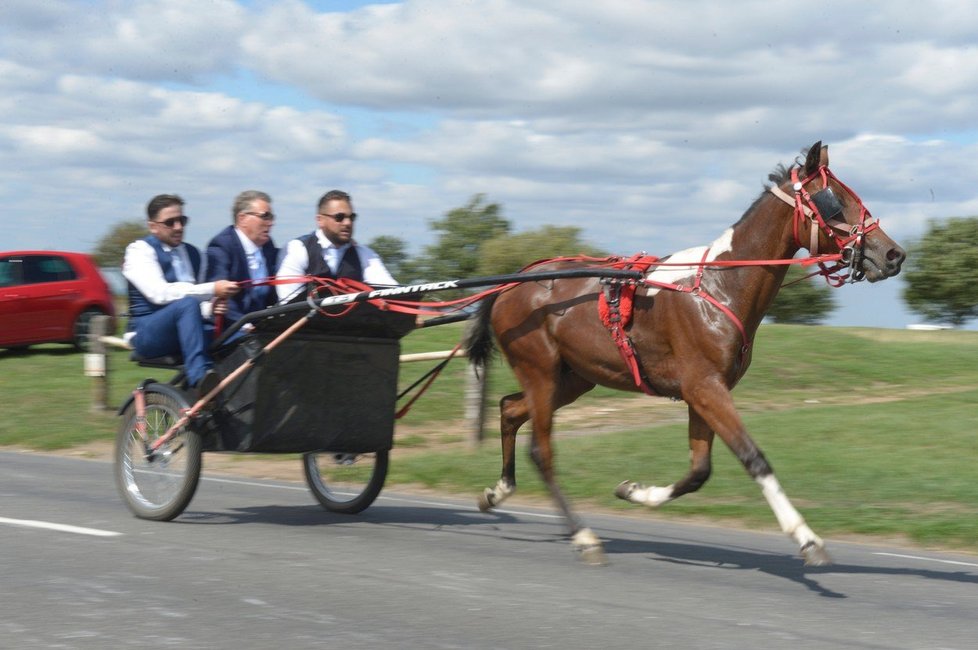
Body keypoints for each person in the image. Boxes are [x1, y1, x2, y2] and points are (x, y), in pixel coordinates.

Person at [123, 194, 239, 390]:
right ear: (153, 226)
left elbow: (195, 306)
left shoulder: (194, 254)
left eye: (182, 220)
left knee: (241, 336)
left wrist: (211, 307)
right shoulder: (139, 251)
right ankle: (200, 380)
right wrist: (212, 288)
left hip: (184, 329)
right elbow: (160, 294)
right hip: (146, 333)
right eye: (170, 222)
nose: (178, 227)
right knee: (187, 304)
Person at [275, 189, 397, 303]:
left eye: (352, 217)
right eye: (339, 217)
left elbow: (390, 290)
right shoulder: (297, 249)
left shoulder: (364, 254)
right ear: (320, 220)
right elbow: (288, 302)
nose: (348, 223)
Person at [205, 190, 279, 327]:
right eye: (265, 216)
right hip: (232, 327)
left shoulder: (268, 246)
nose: (270, 223)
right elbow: (222, 298)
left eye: (272, 217)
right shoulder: (221, 246)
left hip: (261, 325)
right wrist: (245, 327)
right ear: (242, 219)